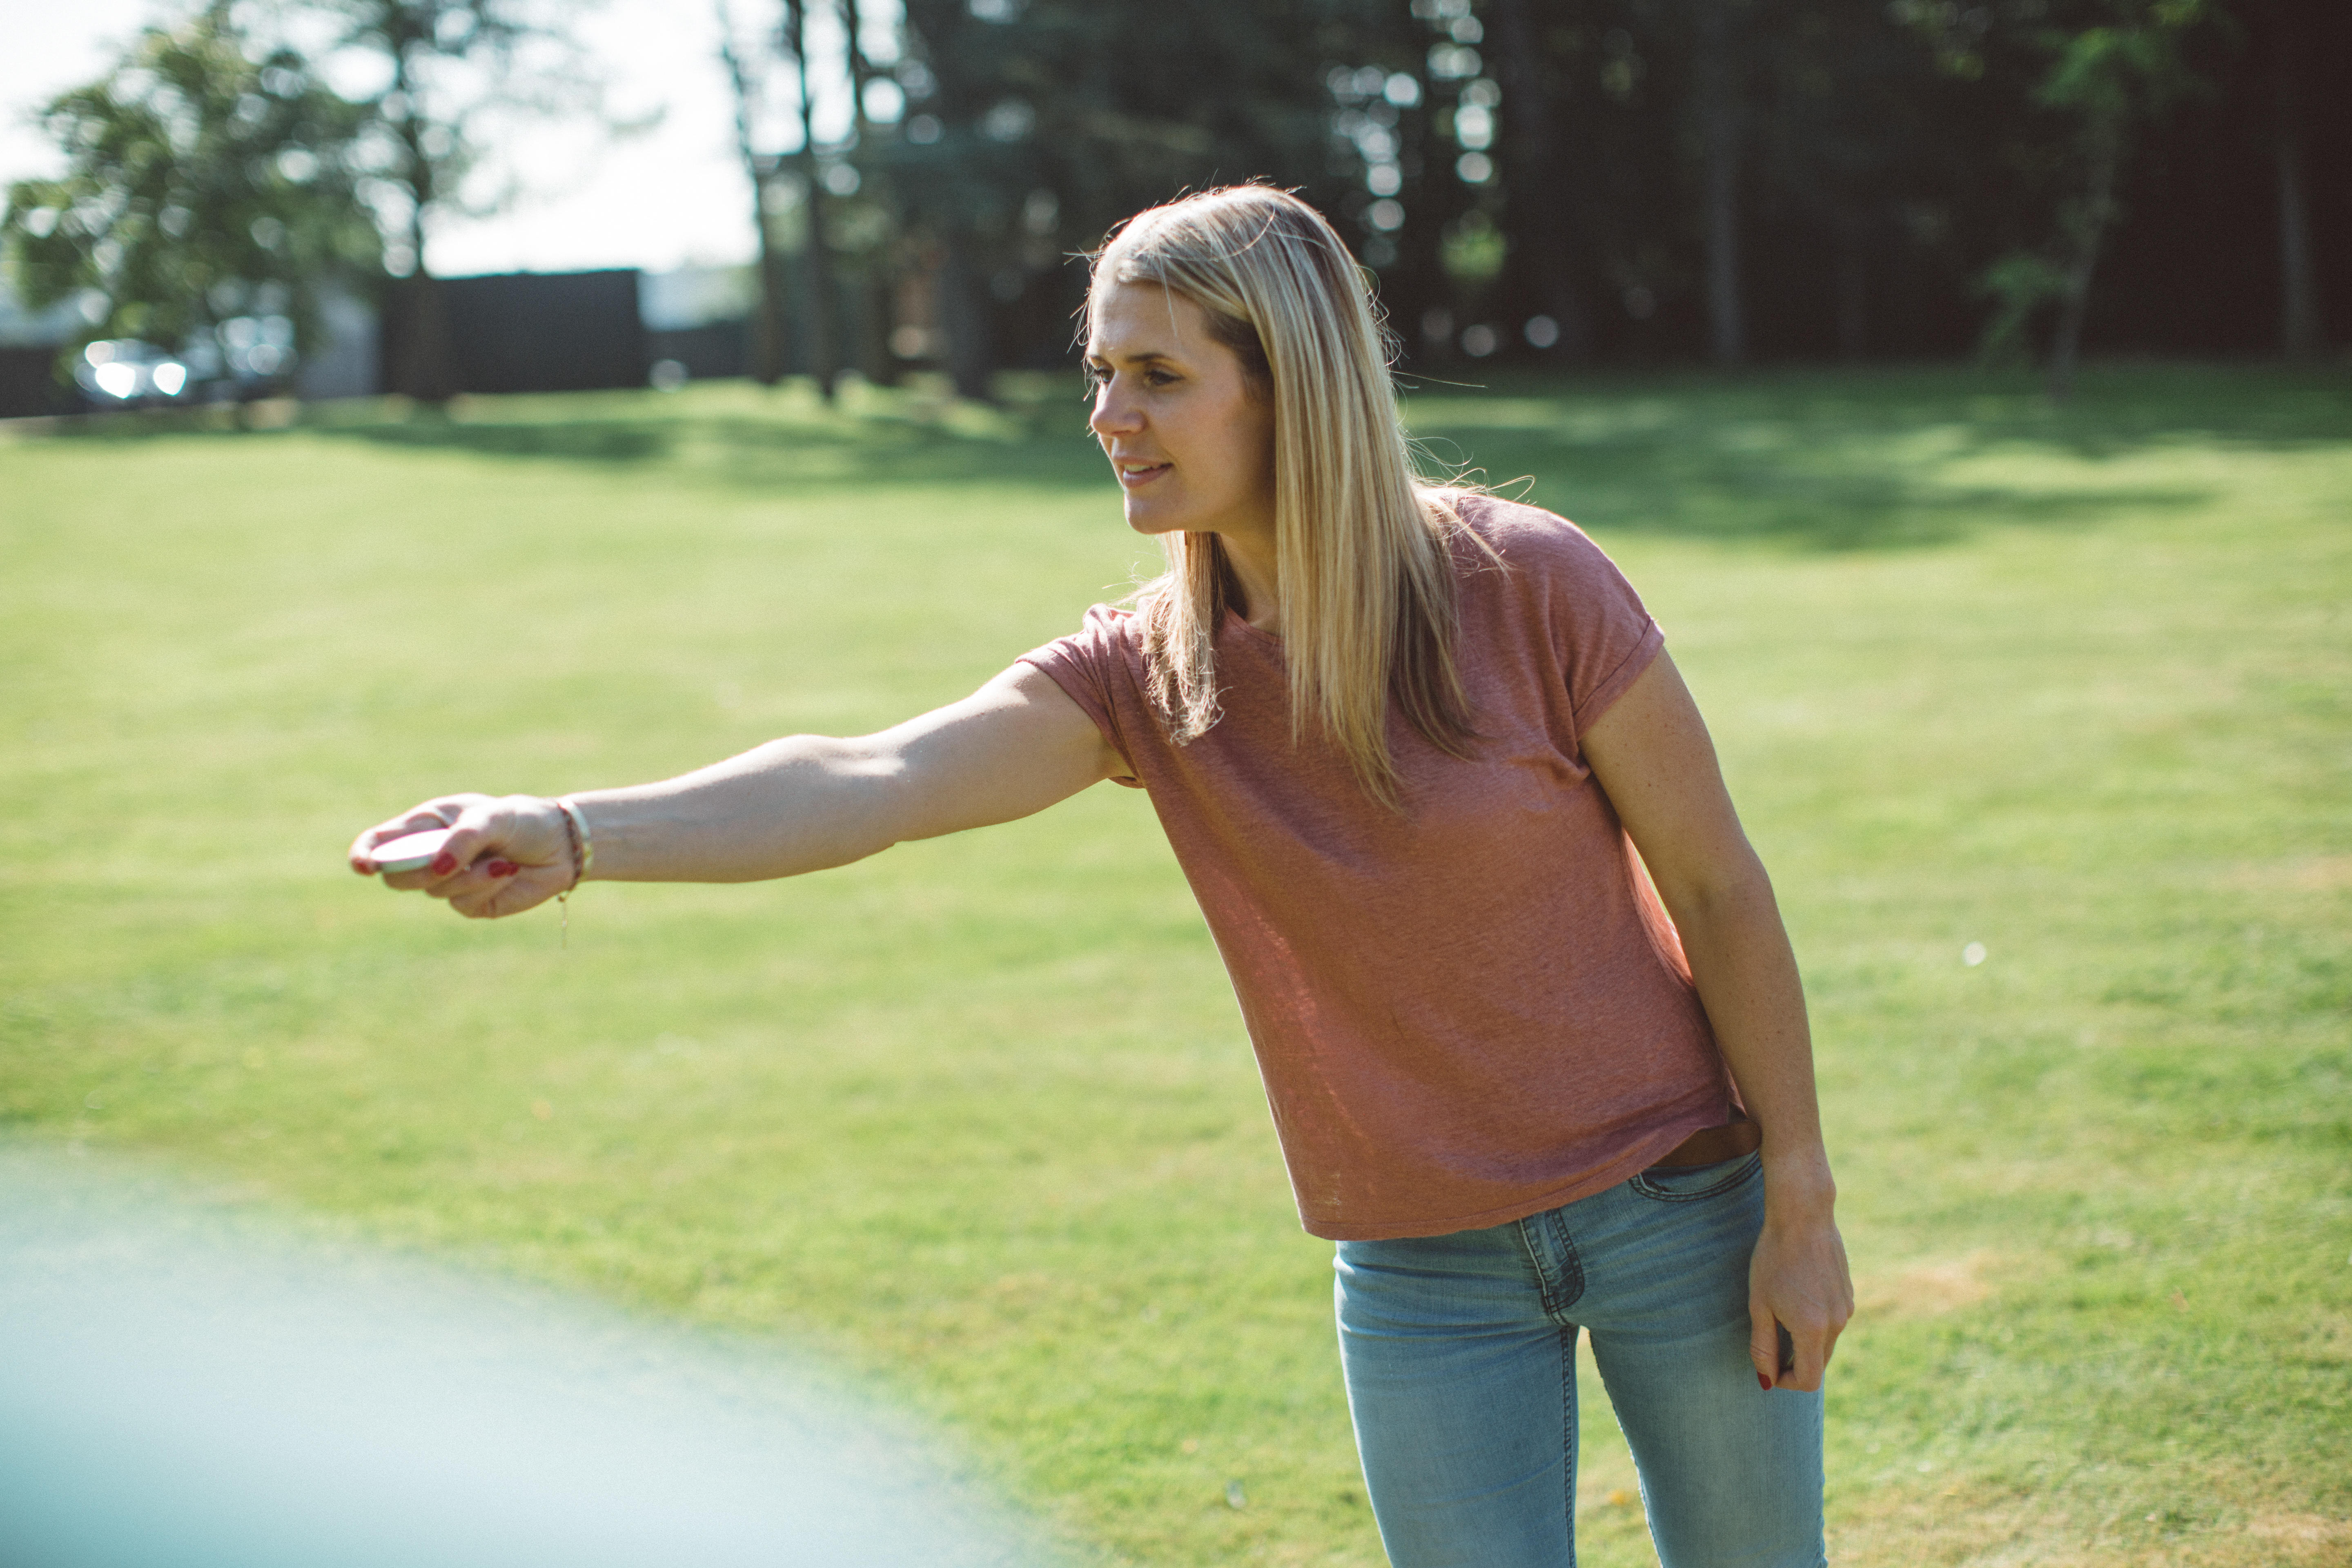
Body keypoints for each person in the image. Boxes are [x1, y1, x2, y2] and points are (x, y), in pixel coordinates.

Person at [351, 185, 1852, 1568]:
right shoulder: (1150, 673)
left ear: (1288, 386)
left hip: (1680, 1206)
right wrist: (575, 830)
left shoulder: (1528, 584)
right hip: (1421, 1267)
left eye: (1156, 375)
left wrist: (1799, 1203)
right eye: (1101, 372)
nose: (1107, 415)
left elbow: (1719, 889)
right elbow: (877, 778)